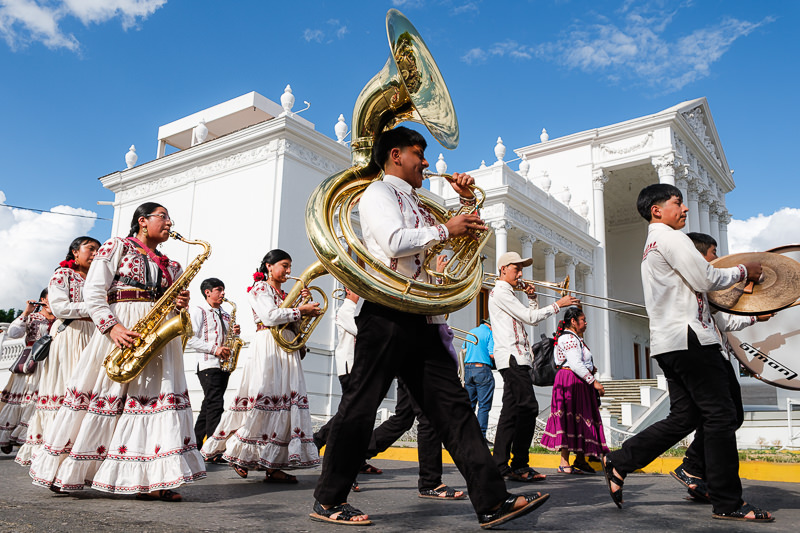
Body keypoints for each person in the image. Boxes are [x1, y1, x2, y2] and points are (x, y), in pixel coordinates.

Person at [311, 126, 550, 529]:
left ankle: (492, 501)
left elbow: (456, 244)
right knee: (360, 409)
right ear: (394, 155)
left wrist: (466, 202)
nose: (425, 161)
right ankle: (327, 498)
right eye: (418, 153)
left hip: (420, 317)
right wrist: (446, 228)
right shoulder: (378, 193)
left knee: (455, 410)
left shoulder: (419, 202)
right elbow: (393, 241)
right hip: (384, 313)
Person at [601, 184, 773, 523]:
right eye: (677, 203)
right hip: (691, 340)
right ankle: (727, 501)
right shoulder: (669, 237)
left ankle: (621, 461)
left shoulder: (653, 243)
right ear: (657, 210)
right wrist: (744, 271)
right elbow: (706, 276)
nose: (684, 209)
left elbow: (700, 291)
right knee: (722, 417)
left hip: (670, 343)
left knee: (686, 417)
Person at [30, 202, 205, 501]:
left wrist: (178, 303)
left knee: (155, 403)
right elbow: (95, 292)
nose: (168, 222)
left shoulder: (172, 264)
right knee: (100, 395)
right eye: (162, 217)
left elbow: (171, 301)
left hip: (156, 335)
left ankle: (156, 479)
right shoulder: (116, 247)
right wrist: (112, 327)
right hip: (121, 329)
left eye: (169, 217)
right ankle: (67, 470)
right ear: (142, 221)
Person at [201, 249, 321, 482]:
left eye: (289, 266)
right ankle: (237, 453)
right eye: (284, 266)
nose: (288, 271)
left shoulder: (285, 293)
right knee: (264, 398)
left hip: (285, 346)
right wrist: (300, 310)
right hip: (268, 345)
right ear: (269, 266)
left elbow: (290, 320)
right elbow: (270, 316)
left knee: (284, 405)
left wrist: (303, 310)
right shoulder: (259, 288)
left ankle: (272, 465)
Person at [669, 232, 772, 503]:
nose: (717, 258)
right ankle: (696, 471)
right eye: (714, 252)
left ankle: (694, 469)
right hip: (702, 352)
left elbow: (724, 322)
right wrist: (742, 277)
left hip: (716, 352)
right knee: (721, 417)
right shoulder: (697, 280)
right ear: (701, 255)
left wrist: (754, 317)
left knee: (727, 417)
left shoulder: (706, 285)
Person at [489, 251, 579, 482]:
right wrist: (558, 305)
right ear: (503, 270)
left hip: (517, 357)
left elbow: (528, 317)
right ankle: (519, 464)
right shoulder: (500, 292)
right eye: (516, 269)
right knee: (529, 408)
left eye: (521, 269)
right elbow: (530, 318)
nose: (520, 273)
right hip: (512, 358)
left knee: (510, 413)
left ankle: (500, 466)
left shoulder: (508, 293)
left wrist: (532, 299)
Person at [15, 237, 101, 466]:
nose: (95, 253)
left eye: (98, 250)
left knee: (91, 395)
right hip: (70, 336)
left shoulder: (100, 278)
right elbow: (61, 307)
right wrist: (96, 309)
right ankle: (54, 457)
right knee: (66, 392)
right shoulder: (62, 275)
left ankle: (80, 457)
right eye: (90, 249)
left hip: (95, 335)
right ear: (74, 252)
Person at [540, 306, 608, 474]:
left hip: (576, 380)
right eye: (583, 320)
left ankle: (580, 458)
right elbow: (575, 364)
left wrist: (591, 369)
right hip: (570, 380)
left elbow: (579, 362)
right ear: (573, 321)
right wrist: (594, 382)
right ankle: (564, 462)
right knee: (569, 417)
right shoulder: (568, 339)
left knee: (581, 418)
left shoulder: (575, 338)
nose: (586, 323)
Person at [186, 277, 240, 455]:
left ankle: (194, 445)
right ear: (207, 292)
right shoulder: (199, 311)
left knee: (208, 405)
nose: (223, 293)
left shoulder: (225, 313)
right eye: (219, 290)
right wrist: (214, 349)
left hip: (223, 365)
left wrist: (234, 333)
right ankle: (213, 449)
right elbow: (190, 338)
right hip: (208, 364)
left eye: (223, 289)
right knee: (216, 405)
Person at [0, 290, 55, 454]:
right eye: (50, 299)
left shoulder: (62, 319)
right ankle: (9, 435)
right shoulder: (33, 318)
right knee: (25, 401)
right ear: (43, 300)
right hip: (33, 362)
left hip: (53, 362)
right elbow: (13, 333)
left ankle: (36, 436)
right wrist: (27, 311)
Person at [462, 318, 495, 444]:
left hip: (468, 369)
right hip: (482, 370)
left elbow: (463, 350)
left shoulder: (471, 331)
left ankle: (466, 435)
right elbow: (492, 354)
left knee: (469, 405)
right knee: (484, 406)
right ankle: (480, 438)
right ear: (491, 325)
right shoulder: (489, 333)